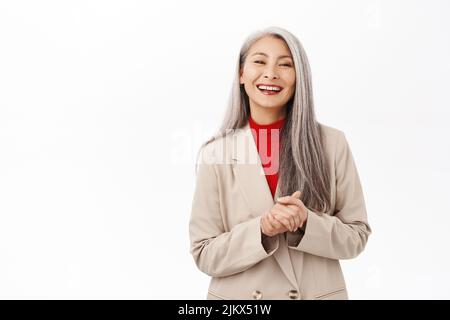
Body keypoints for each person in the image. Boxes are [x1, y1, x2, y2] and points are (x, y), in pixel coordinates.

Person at [188, 26, 371, 300]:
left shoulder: (331, 143)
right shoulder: (217, 152)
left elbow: (356, 237)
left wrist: (307, 222)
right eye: (259, 61)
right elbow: (204, 254)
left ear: (299, 77)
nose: (271, 73)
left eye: (285, 64)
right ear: (241, 73)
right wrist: (261, 229)